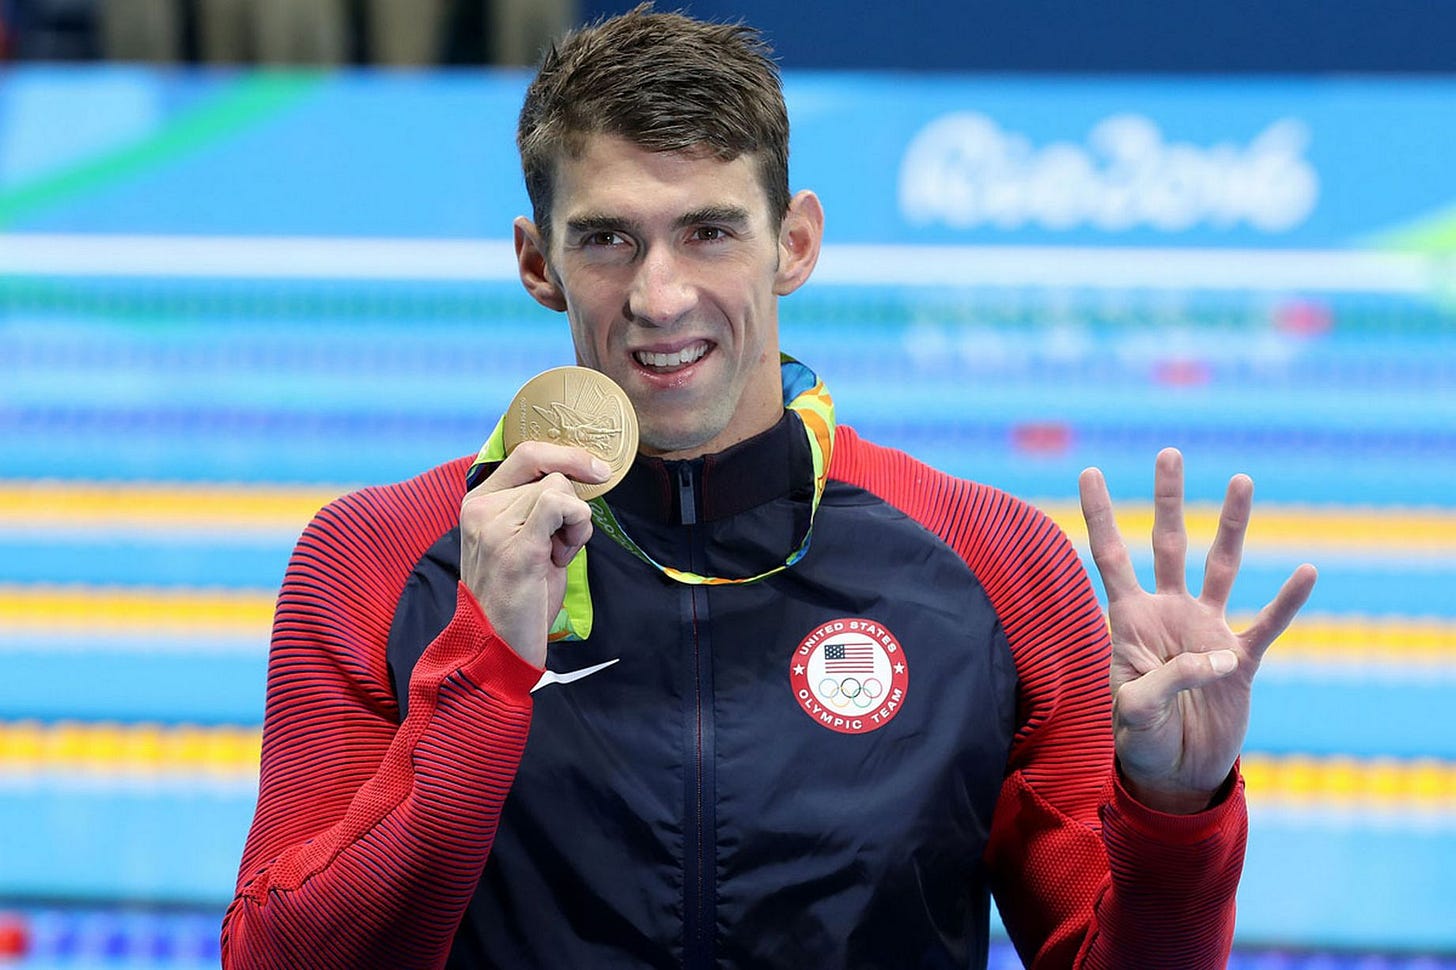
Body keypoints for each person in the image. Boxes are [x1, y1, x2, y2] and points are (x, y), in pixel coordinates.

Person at [220, 7, 1318, 968]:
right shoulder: (376, 560)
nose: (659, 296)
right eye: (607, 239)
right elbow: (278, 959)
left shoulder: (994, 565)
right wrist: (484, 669)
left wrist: (1177, 813)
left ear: (793, 243)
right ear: (535, 261)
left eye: (709, 231)